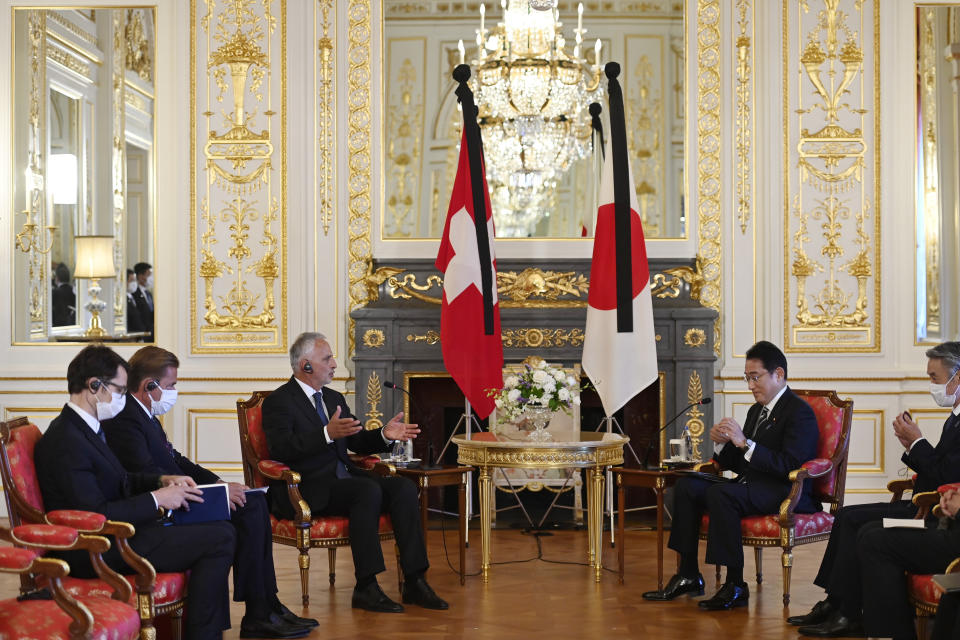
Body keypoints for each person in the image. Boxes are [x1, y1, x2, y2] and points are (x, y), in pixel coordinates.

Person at [102, 346, 317, 639]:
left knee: (253, 503)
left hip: (179, 496)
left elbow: (176, 459)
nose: (173, 392)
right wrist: (213, 493)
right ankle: (259, 611)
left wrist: (219, 483)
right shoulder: (126, 419)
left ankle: (265, 605)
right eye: (170, 386)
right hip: (165, 507)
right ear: (148, 386)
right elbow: (150, 476)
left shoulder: (144, 414)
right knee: (246, 511)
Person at [35, 344, 235, 640]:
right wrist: (157, 500)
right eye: (119, 389)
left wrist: (162, 481)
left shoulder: (86, 427)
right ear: (94, 386)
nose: (123, 398)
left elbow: (121, 480)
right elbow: (94, 516)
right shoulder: (66, 440)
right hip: (94, 548)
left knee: (218, 526)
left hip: (116, 535)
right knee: (220, 537)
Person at [262, 331, 448, 613]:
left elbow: (356, 442)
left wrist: (384, 435)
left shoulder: (334, 398)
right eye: (328, 358)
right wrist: (325, 433)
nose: (335, 364)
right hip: (308, 487)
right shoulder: (280, 401)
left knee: (403, 487)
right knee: (367, 490)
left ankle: (415, 580)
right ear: (306, 366)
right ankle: (366, 586)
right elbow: (281, 449)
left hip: (345, 480)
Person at [793, 341, 960, 637]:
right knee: (847, 517)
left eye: (934, 377)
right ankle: (838, 603)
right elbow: (943, 471)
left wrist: (918, 443)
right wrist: (913, 445)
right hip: (927, 505)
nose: (930, 385)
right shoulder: (955, 418)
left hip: (935, 514)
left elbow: (946, 475)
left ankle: (852, 614)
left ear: (957, 378)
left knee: (867, 531)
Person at [642, 340, 819, 610]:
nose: (750, 386)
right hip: (752, 484)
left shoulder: (799, 413)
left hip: (784, 490)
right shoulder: (756, 410)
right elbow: (740, 464)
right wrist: (723, 444)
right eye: (747, 378)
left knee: (721, 494)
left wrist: (745, 443)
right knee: (688, 485)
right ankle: (689, 573)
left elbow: (789, 465)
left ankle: (735, 584)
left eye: (755, 377)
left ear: (778, 374)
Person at [853, 486, 960, 639]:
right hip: (952, 527)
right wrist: (953, 496)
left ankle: (888, 634)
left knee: (875, 542)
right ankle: (855, 617)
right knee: (869, 530)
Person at [131, 262, 154, 338]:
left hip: (151, 333)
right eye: (149, 275)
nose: (151, 278)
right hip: (141, 333)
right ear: (141, 276)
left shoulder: (148, 293)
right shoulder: (134, 293)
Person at [51, 263, 76, 327]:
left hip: (58, 324)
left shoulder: (55, 292)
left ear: (57, 278)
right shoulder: (72, 290)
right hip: (71, 323)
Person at [126, 268, 146, 333]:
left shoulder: (134, 297)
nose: (134, 283)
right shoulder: (124, 300)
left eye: (135, 280)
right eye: (131, 281)